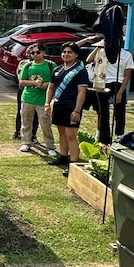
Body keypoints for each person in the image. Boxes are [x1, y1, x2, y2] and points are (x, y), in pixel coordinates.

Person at [44, 42, 90, 174]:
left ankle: (74, 163)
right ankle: (63, 157)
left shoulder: (80, 71)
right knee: (62, 132)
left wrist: (77, 110)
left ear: (75, 55)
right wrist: (47, 103)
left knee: (71, 135)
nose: (66, 54)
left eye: (69, 52)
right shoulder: (57, 70)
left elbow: (82, 91)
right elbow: (51, 87)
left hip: (72, 107)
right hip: (59, 106)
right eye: (64, 52)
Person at [86, 42, 134, 143]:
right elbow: (89, 60)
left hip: (118, 84)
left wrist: (120, 92)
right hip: (103, 83)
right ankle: (104, 139)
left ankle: (119, 136)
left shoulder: (126, 55)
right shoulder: (102, 52)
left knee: (119, 112)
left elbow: (127, 76)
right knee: (103, 112)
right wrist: (98, 47)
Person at [18, 44, 57, 157]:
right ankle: (26, 142)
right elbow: (22, 81)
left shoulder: (50, 65)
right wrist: (35, 83)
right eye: (32, 53)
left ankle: (50, 146)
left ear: (44, 52)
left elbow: (55, 80)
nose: (35, 54)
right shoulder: (28, 65)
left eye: (37, 52)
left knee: (45, 125)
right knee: (26, 123)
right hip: (27, 98)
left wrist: (47, 85)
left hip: (43, 100)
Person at [13, 49, 39, 142]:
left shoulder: (44, 65)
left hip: (37, 93)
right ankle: (17, 131)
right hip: (24, 91)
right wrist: (33, 83)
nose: (30, 54)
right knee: (21, 112)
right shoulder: (24, 63)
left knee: (36, 114)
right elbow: (20, 78)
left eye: (36, 52)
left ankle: (33, 135)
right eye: (29, 52)